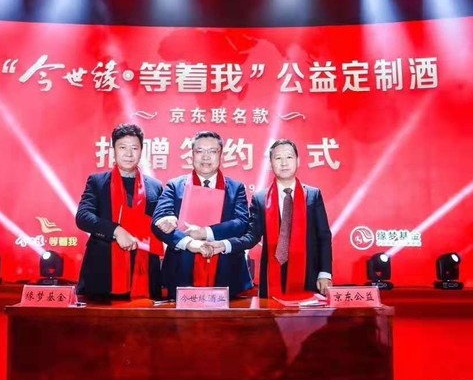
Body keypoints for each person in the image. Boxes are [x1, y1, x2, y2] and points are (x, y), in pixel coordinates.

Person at [208, 139, 332, 298]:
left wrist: (325, 273)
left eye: (289, 157)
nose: (284, 163)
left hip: (309, 274)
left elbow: (323, 236)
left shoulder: (313, 195)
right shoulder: (261, 198)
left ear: (298, 160)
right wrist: (225, 244)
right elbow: (251, 236)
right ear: (271, 163)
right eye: (278, 158)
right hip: (272, 275)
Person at [152, 131, 252, 298]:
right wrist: (190, 243)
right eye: (200, 151)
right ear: (192, 154)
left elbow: (242, 223)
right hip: (181, 271)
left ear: (220, 154)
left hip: (227, 272)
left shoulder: (236, 188)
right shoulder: (175, 186)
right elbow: (159, 221)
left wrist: (205, 232)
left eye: (212, 151)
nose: (206, 157)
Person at [75, 124, 163, 300]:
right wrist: (116, 231)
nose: (129, 154)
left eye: (134, 148)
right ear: (113, 150)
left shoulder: (155, 186)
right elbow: (83, 217)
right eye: (123, 147)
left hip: (144, 273)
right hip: (103, 273)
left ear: (141, 151)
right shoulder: (98, 182)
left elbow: (160, 222)